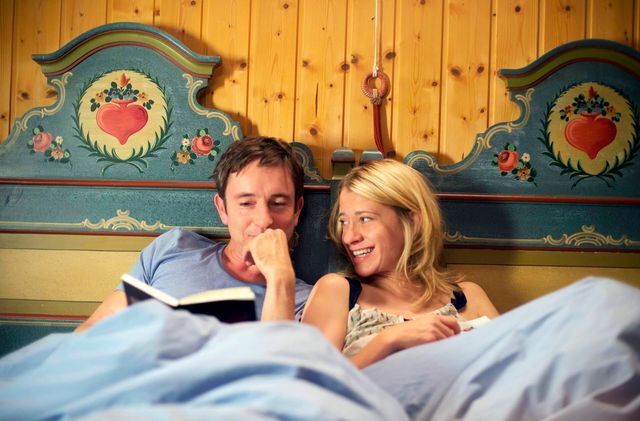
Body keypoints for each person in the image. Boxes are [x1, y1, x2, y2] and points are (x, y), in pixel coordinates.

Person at [75, 136, 312, 332]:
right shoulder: (173, 248)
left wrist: (280, 277)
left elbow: (280, 368)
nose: (264, 220)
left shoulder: (307, 300)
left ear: (296, 211)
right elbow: (90, 331)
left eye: (278, 203)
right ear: (222, 209)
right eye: (246, 203)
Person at [302, 159, 499, 368]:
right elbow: (309, 383)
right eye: (344, 222)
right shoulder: (337, 291)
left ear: (412, 222)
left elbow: (514, 370)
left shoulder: (469, 297)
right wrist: (388, 340)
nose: (349, 237)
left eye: (365, 219)